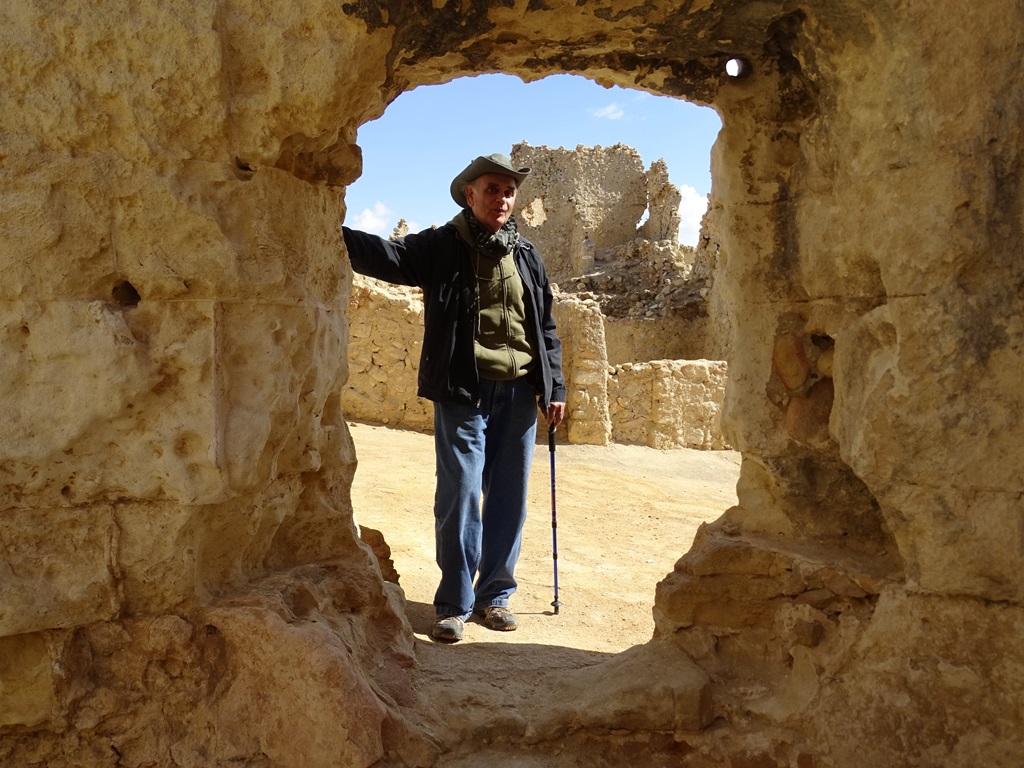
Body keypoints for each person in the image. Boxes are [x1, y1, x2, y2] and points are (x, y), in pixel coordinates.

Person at [342, 153, 567, 643]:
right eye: (492, 189)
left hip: (519, 393)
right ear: (470, 194)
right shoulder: (445, 245)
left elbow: (545, 326)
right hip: (463, 390)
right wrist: (330, 230)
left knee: (509, 499)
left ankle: (495, 597)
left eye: (508, 191)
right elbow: (392, 256)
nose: (501, 199)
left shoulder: (526, 255)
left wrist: (556, 387)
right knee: (461, 493)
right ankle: (455, 602)